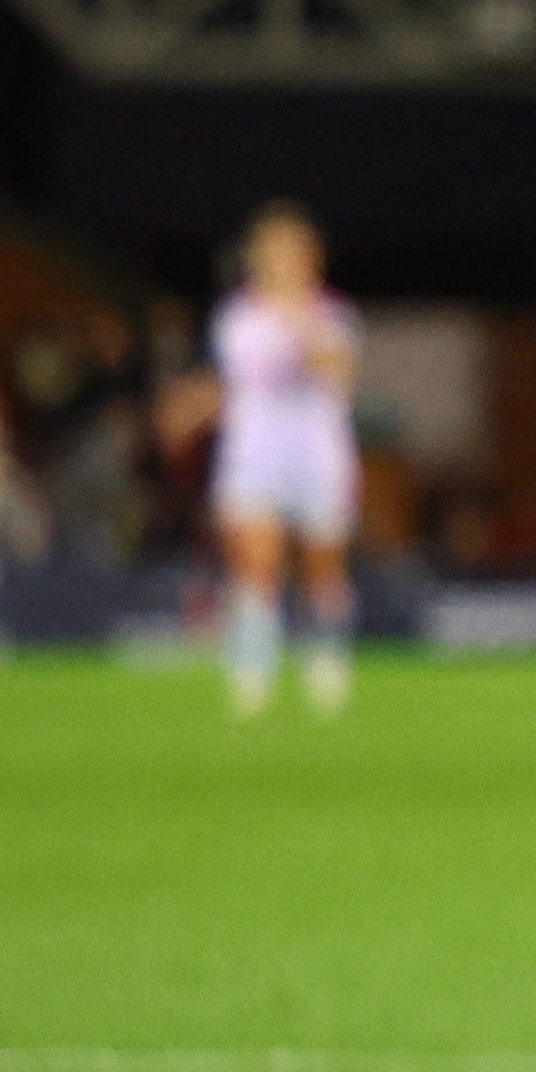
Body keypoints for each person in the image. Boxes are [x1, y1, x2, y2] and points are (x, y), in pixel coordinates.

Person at [182, 203, 364, 721]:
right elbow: (237, 383)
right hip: (255, 456)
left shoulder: (333, 317)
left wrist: (301, 321)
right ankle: (252, 672)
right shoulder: (237, 318)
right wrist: (194, 406)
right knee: (255, 568)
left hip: (317, 457)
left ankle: (326, 658)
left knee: (321, 569)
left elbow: (337, 375)